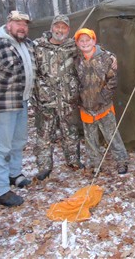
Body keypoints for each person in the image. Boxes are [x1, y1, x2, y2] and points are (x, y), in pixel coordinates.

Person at [0, 11, 36, 207]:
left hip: (22, 102)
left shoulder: (28, 45)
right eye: (18, 23)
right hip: (3, 106)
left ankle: (14, 174)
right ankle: (0, 190)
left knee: (18, 142)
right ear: (8, 24)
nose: (22, 27)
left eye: (25, 24)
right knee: (1, 148)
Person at [31, 14, 84, 181]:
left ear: (68, 30)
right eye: (57, 26)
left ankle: (73, 161)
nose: (60, 30)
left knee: (71, 132)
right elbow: (30, 71)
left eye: (64, 27)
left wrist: (111, 59)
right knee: (45, 134)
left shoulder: (72, 46)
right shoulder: (38, 46)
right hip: (46, 100)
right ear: (52, 27)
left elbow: (92, 52)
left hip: (68, 99)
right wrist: (37, 94)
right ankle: (44, 167)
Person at [74, 28, 129, 175]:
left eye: (88, 40)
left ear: (94, 41)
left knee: (112, 136)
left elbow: (112, 80)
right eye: (81, 41)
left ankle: (122, 161)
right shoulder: (76, 59)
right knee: (90, 139)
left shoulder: (105, 58)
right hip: (85, 107)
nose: (85, 43)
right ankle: (95, 164)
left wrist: (102, 98)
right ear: (78, 43)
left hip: (103, 107)